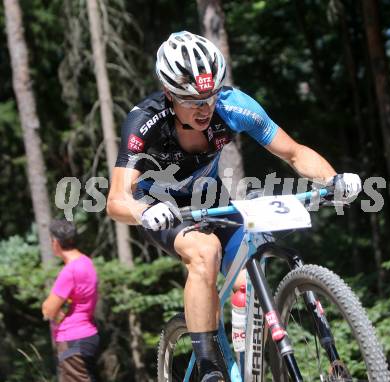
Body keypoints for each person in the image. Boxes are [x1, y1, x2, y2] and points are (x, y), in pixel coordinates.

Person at [107, 31, 362, 381]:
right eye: (193, 100)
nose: (205, 107)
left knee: (247, 279)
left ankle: (247, 366)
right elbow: (117, 199)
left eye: (210, 96)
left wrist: (333, 181)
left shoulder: (234, 106)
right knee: (204, 251)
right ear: (169, 95)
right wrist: (143, 212)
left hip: (209, 197)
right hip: (159, 204)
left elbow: (294, 152)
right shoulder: (145, 121)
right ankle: (210, 368)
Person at [42, 219, 100, 382]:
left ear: (55, 243)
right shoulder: (86, 262)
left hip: (73, 339)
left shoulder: (70, 270)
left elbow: (48, 310)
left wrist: (50, 307)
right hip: (87, 336)